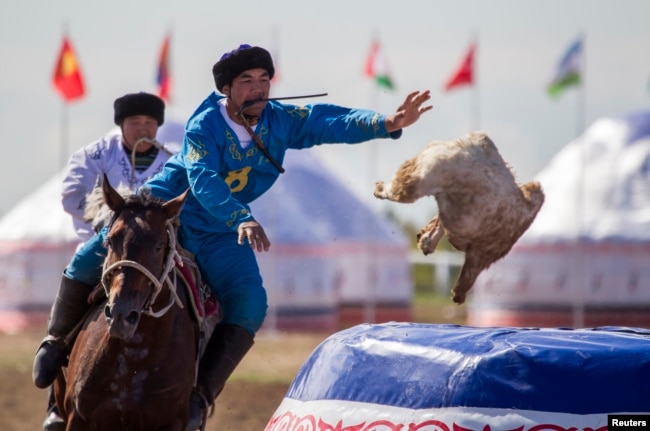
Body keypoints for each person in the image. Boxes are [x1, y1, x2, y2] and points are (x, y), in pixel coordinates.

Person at [32, 44, 432, 431]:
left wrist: (386, 123)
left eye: (263, 80)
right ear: (227, 88)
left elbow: (327, 120)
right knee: (89, 256)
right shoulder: (204, 125)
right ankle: (53, 343)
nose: (258, 88)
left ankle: (200, 395)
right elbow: (203, 181)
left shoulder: (279, 119)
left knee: (251, 303)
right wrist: (240, 215)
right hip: (166, 210)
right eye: (247, 81)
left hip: (219, 231)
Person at [36, 92, 173, 431]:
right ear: (121, 125)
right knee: (82, 265)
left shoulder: (173, 159)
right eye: (135, 122)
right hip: (110, 238)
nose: (143, 128)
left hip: (157, 247)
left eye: (149, 123)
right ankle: (55, 349)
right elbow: (72, 194)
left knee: (200, 286)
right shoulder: (95, 154)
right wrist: (105, 216)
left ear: (158, 126)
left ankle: (197, 389)